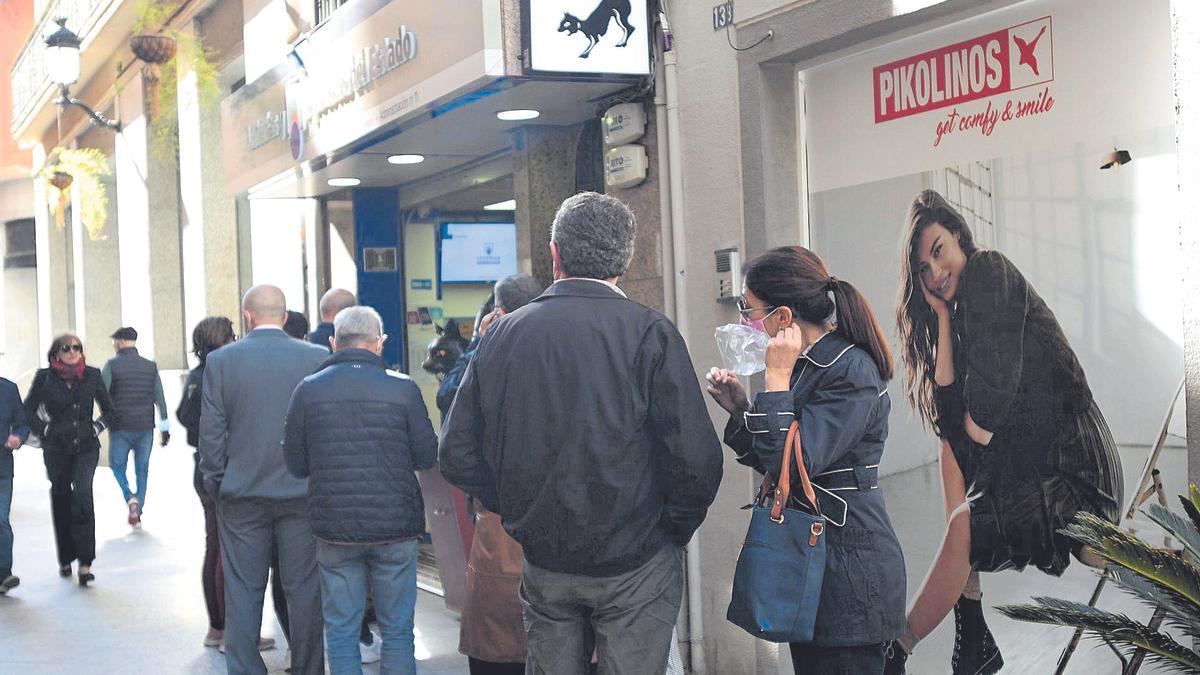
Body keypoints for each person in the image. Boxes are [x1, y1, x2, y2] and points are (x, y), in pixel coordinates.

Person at [440, 192, 724, 675]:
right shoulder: (649, 333)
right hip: (636, 556)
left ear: (554, 254)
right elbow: (696, 460)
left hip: (545, 554)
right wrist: (667, 530)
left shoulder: (502, 336)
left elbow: (457, 452)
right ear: (629, 257)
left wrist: (517, 509)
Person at [886, 190, 1124, 675]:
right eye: (924, 269)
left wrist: (970, 477)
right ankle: (969, 632)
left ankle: (899, 651)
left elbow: (990, 407)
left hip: (1074, 472)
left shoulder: (989, 271)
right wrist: (943, 317)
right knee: (951, 448)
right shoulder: (964, 305)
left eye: (938, 251)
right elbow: (950, 414)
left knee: (965, 521)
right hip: (1035, 461)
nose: (936, 272)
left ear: (959, 238)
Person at [710, 246, 906, 673]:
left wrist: (776, 380)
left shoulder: (849, 368)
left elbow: (803, 458)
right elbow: (780, 466)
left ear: (783, 317)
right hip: (814, 563)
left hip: (849, 574)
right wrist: (743, 411)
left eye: (750, 308)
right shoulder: (807, 365)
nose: (745, 321)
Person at [283, 306, 438, 675]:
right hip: (395, 527)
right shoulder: (403, 389)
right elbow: (426, 455)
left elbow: (296, 464)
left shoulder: (308, 391)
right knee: (399, 629)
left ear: (334, 343)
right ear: (380, 343)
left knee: (340, 629)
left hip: (334, 528)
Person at [199, 285, 329, 675]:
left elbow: (211, 434)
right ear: (286, 317)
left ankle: (245, 669)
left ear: (247, 316)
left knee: (242, 590)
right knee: (304, 590)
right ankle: (308, 668)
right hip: (301, 494)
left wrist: (217, 482)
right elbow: (323, 429)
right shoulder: (318, 357)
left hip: (242, 495)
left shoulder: (221, 362)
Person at [440, 274, 544, 675]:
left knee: (498, 643)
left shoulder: (488, 357)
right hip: (568, 519)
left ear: (497, 313)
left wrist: (476, 346)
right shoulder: (559, 347)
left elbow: (452, 416)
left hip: (501, 519)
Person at [23, 334, 116, 587]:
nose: (73, 352)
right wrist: (45, 430)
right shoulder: (44, 378)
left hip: (86, 447)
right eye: (67, 348)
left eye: (77, 347)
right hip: (56, 449)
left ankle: (85, 563)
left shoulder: (93, 375)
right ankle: (65, 557)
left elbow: (110, 410)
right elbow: (27, 410)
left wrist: (96, 428)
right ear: (56, 354)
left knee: (83, 494)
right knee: (61, 496)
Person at [101, 326, 170, 527]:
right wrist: (165, 428)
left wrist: (104, 418)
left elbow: (103, 395)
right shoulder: (150, 367)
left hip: (121, 427)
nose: (114, 344)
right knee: (142, 469)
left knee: (117, 465)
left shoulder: (112, 366)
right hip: (145, 427)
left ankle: (129, 496)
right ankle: (137, 511)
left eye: (115, 341)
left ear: (121, 342)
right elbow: (161, 400)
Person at [0, 374, 29, 594]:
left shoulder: (8, 389)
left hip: (2, 467)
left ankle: (4, 573)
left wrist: (18, 437)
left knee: (1, 519)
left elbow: (22, 423)